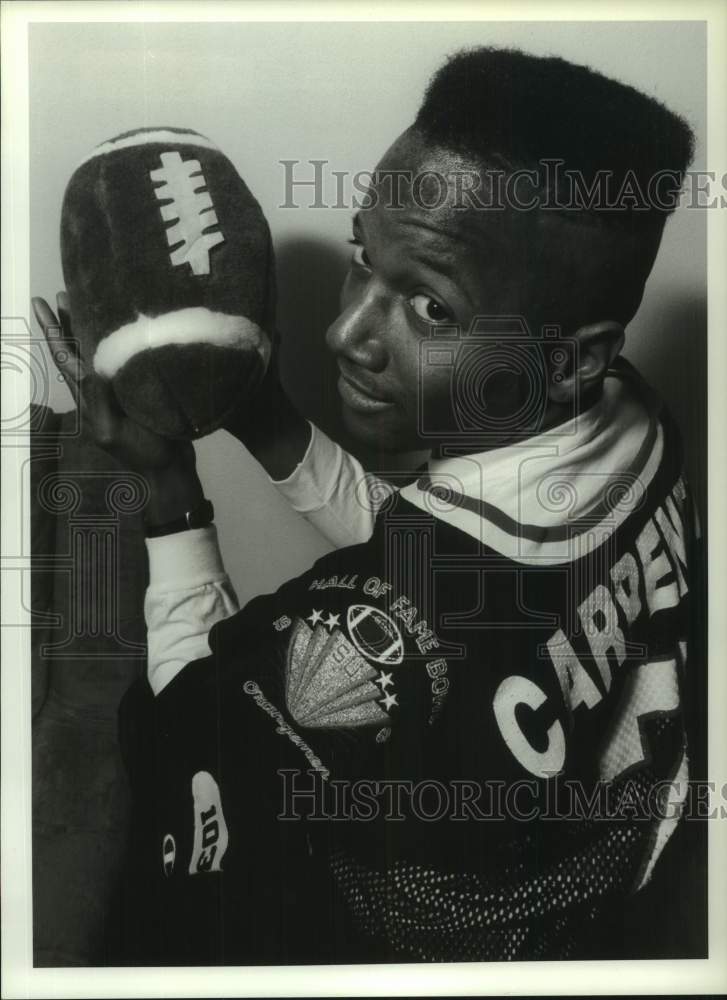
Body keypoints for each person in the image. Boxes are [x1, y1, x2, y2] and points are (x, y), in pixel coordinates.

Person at [33, 47, 703, 964]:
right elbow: (439, 559)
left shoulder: (333, 659)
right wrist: (265, 419)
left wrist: (170, 494)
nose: (345, 331)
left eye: (428, 308)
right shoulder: (633, 414)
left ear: (569, 358)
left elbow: (187, 736)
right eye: (361, 258)